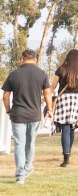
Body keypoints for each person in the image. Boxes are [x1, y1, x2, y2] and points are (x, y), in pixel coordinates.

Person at [2, 48, 53, 184]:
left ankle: (20, 176)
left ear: (22, 59)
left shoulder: (13, 75)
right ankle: (28, 167)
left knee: (19, 144)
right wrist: (50, 109)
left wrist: (8, 111)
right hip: (34, 114)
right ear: (35, 60)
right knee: (30, 143)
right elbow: (47, 94)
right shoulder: (42, 74)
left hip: (18, 114)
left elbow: (5, 96)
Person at [49, 49, 78, 166]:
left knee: (65, 127)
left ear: (67, 58)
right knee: (72, 128)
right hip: (77, 99)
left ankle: (66, 158)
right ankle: (68, 153)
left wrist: (45, 96)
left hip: (64, 99)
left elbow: (53, 86)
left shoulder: (61, 69)